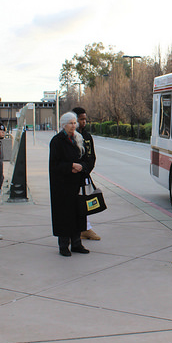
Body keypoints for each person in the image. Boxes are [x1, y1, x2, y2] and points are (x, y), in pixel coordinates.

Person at [49, 112, 90, 256]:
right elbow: (54, 164)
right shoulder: (57, 141)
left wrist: (81, 167)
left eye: (74, 123)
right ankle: (64, 245)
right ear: (63, 125)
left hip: (76, 183)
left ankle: (77, 243)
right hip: (62, 185)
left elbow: (86, 159)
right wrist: (70, 166)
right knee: (64, 215)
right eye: (70, 123)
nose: (74, 126)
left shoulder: (79, 139)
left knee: (78, 213)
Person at [72, 107, 100, 241]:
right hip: (73, 175)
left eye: (85, 119)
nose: (84, 122)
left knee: (85, 202)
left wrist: (86, 170)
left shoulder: (87, 136)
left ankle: (85, 228)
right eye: (81, 119)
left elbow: (92, 156)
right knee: (74, 203)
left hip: (84, 175)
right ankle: (76, 229)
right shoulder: (70, 136)